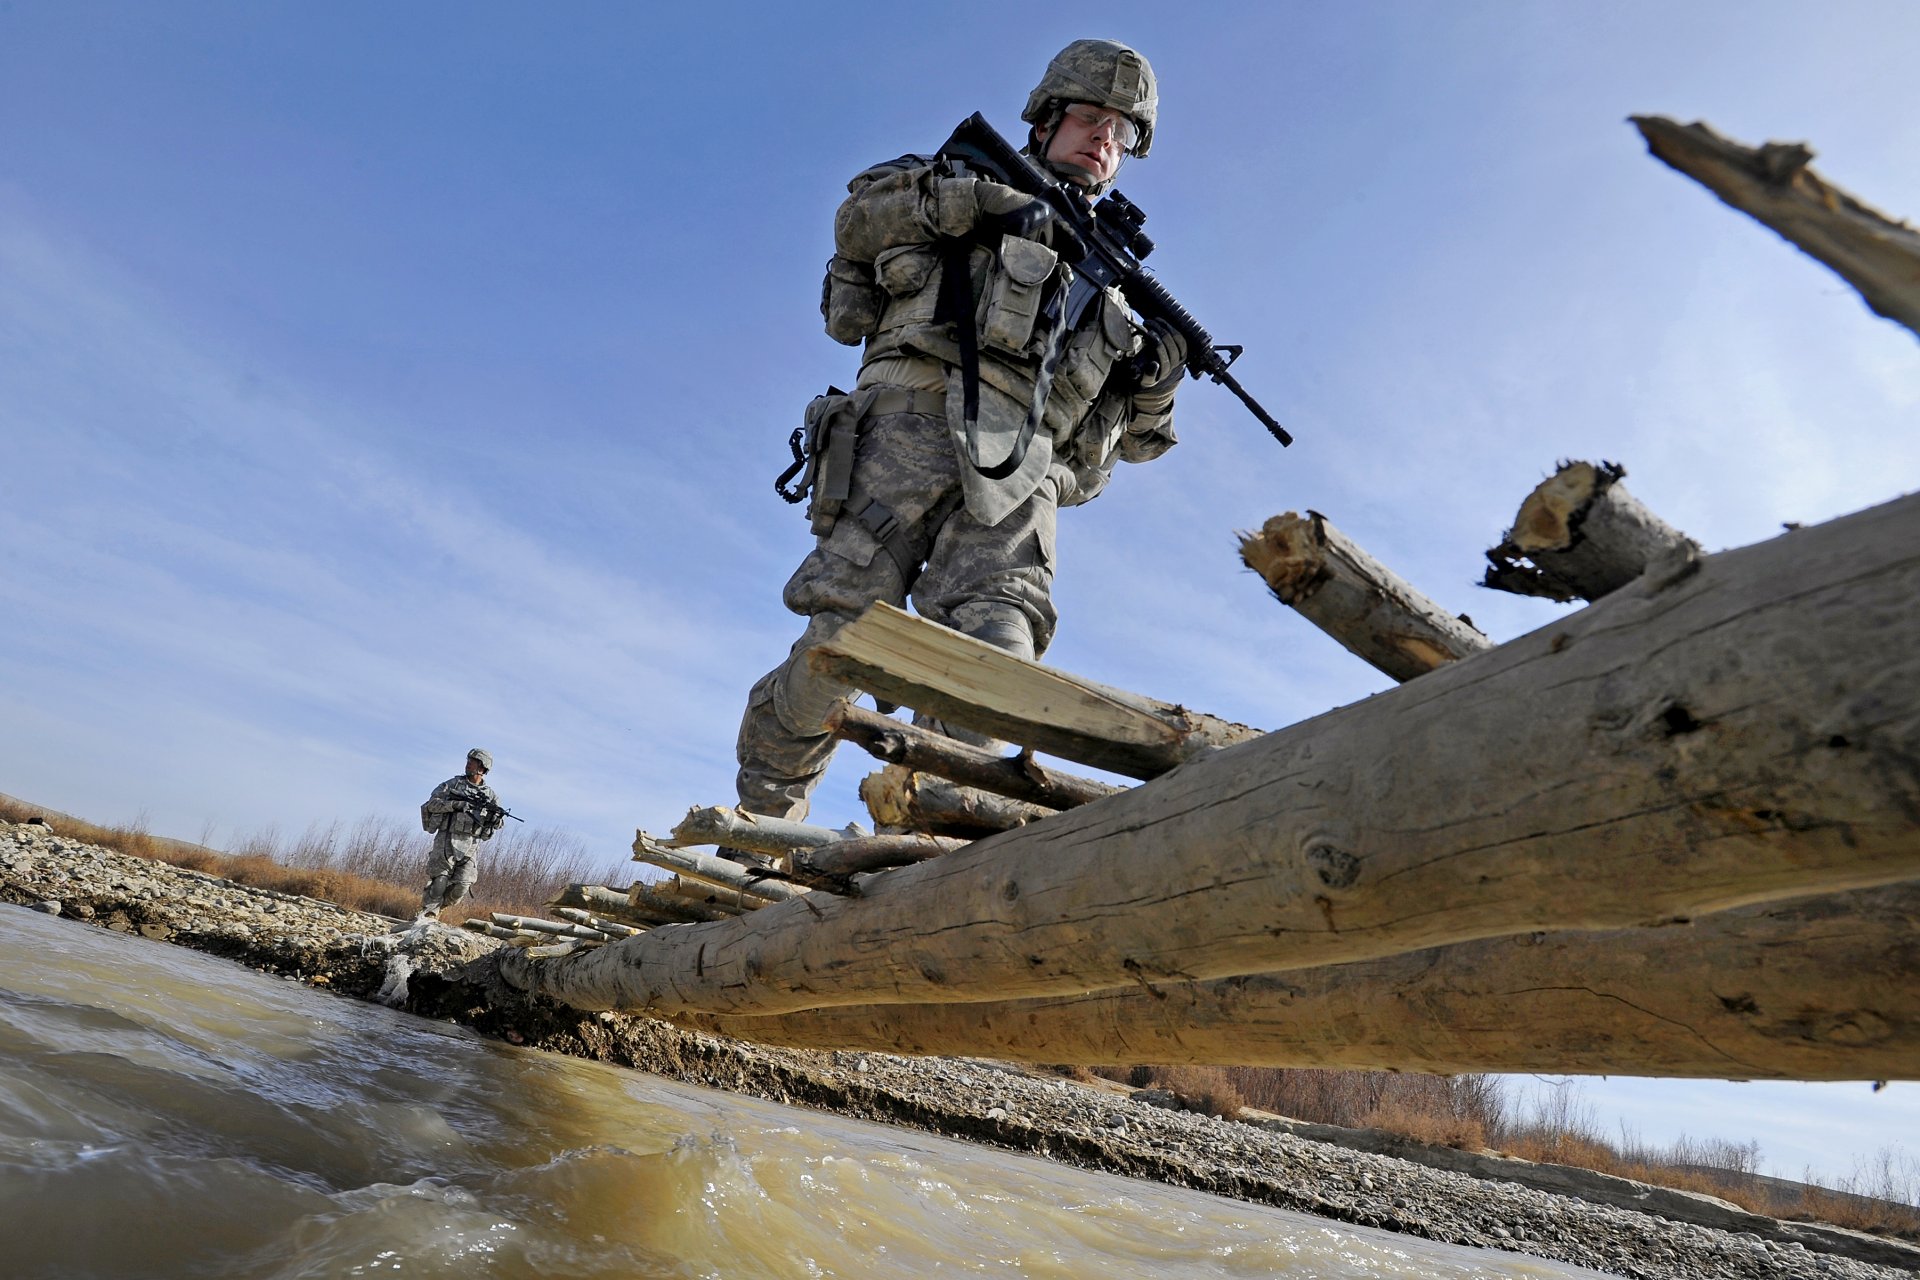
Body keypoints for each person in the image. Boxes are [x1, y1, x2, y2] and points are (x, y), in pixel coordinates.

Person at [731, 39, 1184, 832]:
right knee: (842, 644)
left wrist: (1158, 381)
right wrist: (966, 205)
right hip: (902, 435)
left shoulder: (1115, 279)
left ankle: (934, 841)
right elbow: (856, 225)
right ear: (1045, 121)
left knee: (995, 665)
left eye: (1119, 133)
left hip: (1017, 476)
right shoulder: (953, 178)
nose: (1102, 140)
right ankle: (765, 826)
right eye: (1088, 117)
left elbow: (1133, 447)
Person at [418, 748, 505, 918]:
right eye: (468, 761)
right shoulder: (452, 785)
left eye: (473, 762)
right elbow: (432, 804)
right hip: (447, 838)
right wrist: (454, 805)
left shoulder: (491, 796)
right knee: (440, 880)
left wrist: (495, 820)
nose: (468, 764)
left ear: (482, 767)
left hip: (471, 844)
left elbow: (498, 823)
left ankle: (440, 907)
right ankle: (428, 912)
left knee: (463, 885)